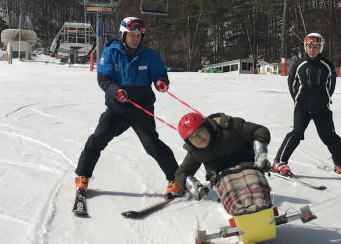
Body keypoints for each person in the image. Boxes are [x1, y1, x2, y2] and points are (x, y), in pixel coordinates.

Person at [75, 17, 182, 198]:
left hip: (141, 109)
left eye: (139, 35)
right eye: (132, 35)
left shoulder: (150, 55)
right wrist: (116, 91)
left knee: (152, 145)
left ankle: (176, 180)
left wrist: (161, 82)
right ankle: (83, 176)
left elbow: (159, 74)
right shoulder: (110, 53)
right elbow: (104, 78)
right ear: (124, 35)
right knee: (98, 139)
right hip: (117, 108)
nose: (135, 39)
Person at [273, 33, 341, 178]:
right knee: (296, 133)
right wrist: (298, 100)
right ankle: (279, 162)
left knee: (330, 136)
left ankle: (340, 164)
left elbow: (331, 85)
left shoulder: (327, 65)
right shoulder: (299, 65)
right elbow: (292, 85)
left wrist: (324, 99)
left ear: (320, 47)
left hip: (321, 108)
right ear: (306, 47)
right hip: (302, 106)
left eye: (316, 47)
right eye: (310, 47)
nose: (312, 50)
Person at [174, 112, 272, 215]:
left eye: (199, 132)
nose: (198, 139)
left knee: (254, 181)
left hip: (248, 166)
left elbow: (259, 131)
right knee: (230, 188)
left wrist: (260, 152)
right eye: (192, 138)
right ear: (189, 142)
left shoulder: (229, 127)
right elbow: (180, 174)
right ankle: (242, 215)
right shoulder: (196, 152)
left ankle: (263, 210)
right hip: (223, 175)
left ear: (206, 126)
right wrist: (192, 185)